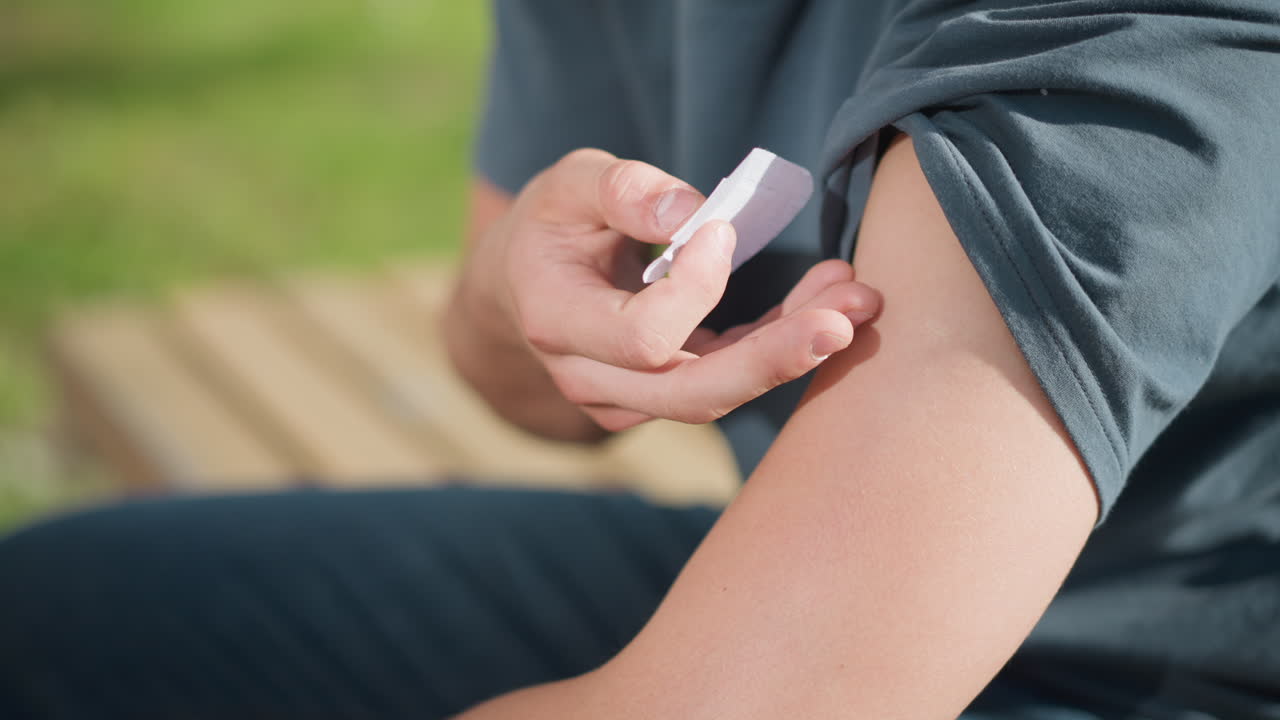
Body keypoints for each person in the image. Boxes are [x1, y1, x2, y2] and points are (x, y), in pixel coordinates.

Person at [2, 0, 1279, 717]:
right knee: (56, 619)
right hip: (794, 597)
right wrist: (520, 303)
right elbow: (519, 389)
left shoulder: (1116, 33)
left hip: (1162, 679)